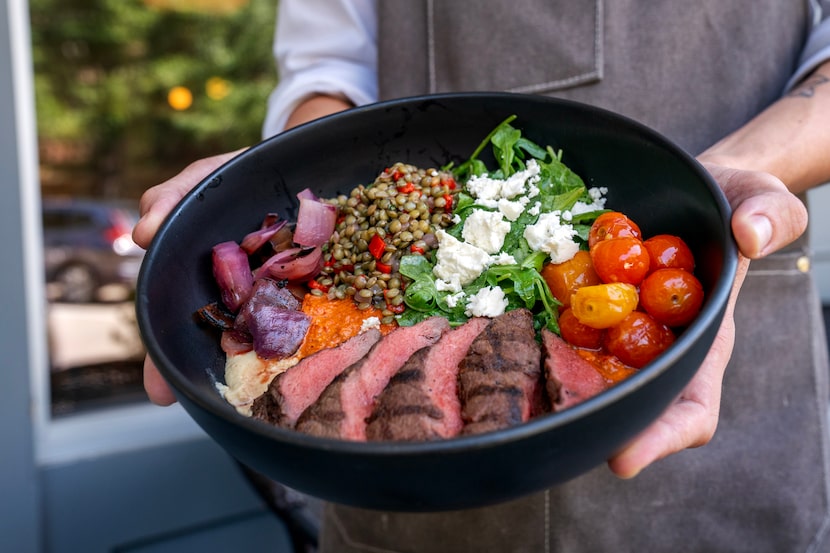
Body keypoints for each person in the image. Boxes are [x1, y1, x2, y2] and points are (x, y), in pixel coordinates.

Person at [133, 1, 830, 551]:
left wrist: (717, 188)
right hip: (406, 500)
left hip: (721, 357)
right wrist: (290, 170)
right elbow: (326, 67)